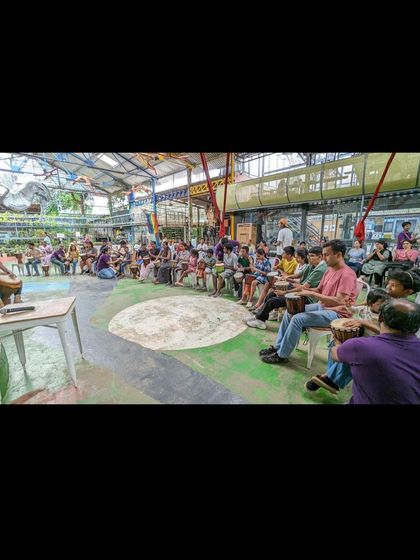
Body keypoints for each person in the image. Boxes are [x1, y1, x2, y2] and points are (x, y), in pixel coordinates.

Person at [260, 239, 357, 364]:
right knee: (290, 312)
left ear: (338, 255)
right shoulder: (329, 270)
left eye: (326, 255)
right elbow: (318, 289)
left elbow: (340, 301)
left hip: (338, 314)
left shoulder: (347, 274)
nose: (324, 258)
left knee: (298, 318)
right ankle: (278, 347)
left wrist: (311, 293)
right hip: (322, 306)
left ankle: (282, 355)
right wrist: (302, 291)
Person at [330, 299, 420, 404]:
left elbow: (335, 354)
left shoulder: (361, 346)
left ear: (380, 317)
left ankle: (330, 379)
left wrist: (338, 343)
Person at [305, 288, 391, 394]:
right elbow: (351, 309)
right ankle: (330, 375)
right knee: (334, 344)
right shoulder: (364, 309)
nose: (383, 307)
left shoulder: (384, 316)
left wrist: (363, 323)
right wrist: (348, 306)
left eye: (385, 304)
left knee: (350, 353)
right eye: (380, 304)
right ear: (370, 303)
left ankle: (329, 378)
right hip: (357, 338)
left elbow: (383, 332)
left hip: (372, 343)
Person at [246, 246, 327, 330]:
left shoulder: (320, 270)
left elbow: (303, 288)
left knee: (273, 301)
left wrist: (285, 292)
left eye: (312, 256)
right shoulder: (311, 265)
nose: (309, 258)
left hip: (306, 297)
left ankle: (260, 321)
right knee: (272, 294)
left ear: (320, 257)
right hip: (299, 290)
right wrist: (287, 278)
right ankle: (258, 317)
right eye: (309, 255)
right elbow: (299, 274)